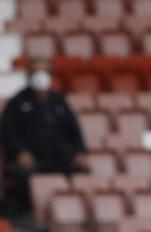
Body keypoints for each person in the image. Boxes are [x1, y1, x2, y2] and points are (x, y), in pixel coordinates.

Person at [2, 56, 88, 215]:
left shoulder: (59, 101)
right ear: (28, 75)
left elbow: (74, 131)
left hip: (60, 157)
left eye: (44, 71)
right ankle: (28, 214)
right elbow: (8, 133)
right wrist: (20, 152)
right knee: (22, 173)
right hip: (33, 158)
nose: (40, 75)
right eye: (36, 71)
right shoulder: (18, 102)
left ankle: (74, 213)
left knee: (83, 171)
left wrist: (80, 152)